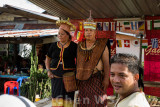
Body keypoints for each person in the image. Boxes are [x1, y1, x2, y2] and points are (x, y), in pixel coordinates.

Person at [76, 15, 110, 106]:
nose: (88, 32)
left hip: (97, 79)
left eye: (91, 30)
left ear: (95, 32)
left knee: (98, 102)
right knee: (84, 103)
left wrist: (106, 79)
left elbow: (106, 64)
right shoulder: (80, 45)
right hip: (83, 80)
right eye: (86, 30)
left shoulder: (102, 46)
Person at [45, 19, 77, 107]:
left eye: (62, 34)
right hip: (55, 77)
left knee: (68, 99)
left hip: (69, 77)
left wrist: (76, 73)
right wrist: (48, 71)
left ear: (68, 35)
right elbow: (48, 58)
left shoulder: (74, 46)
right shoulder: (54, 45)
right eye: (58, 34)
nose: (59, 36)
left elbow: (79, 60)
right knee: (56, 98)